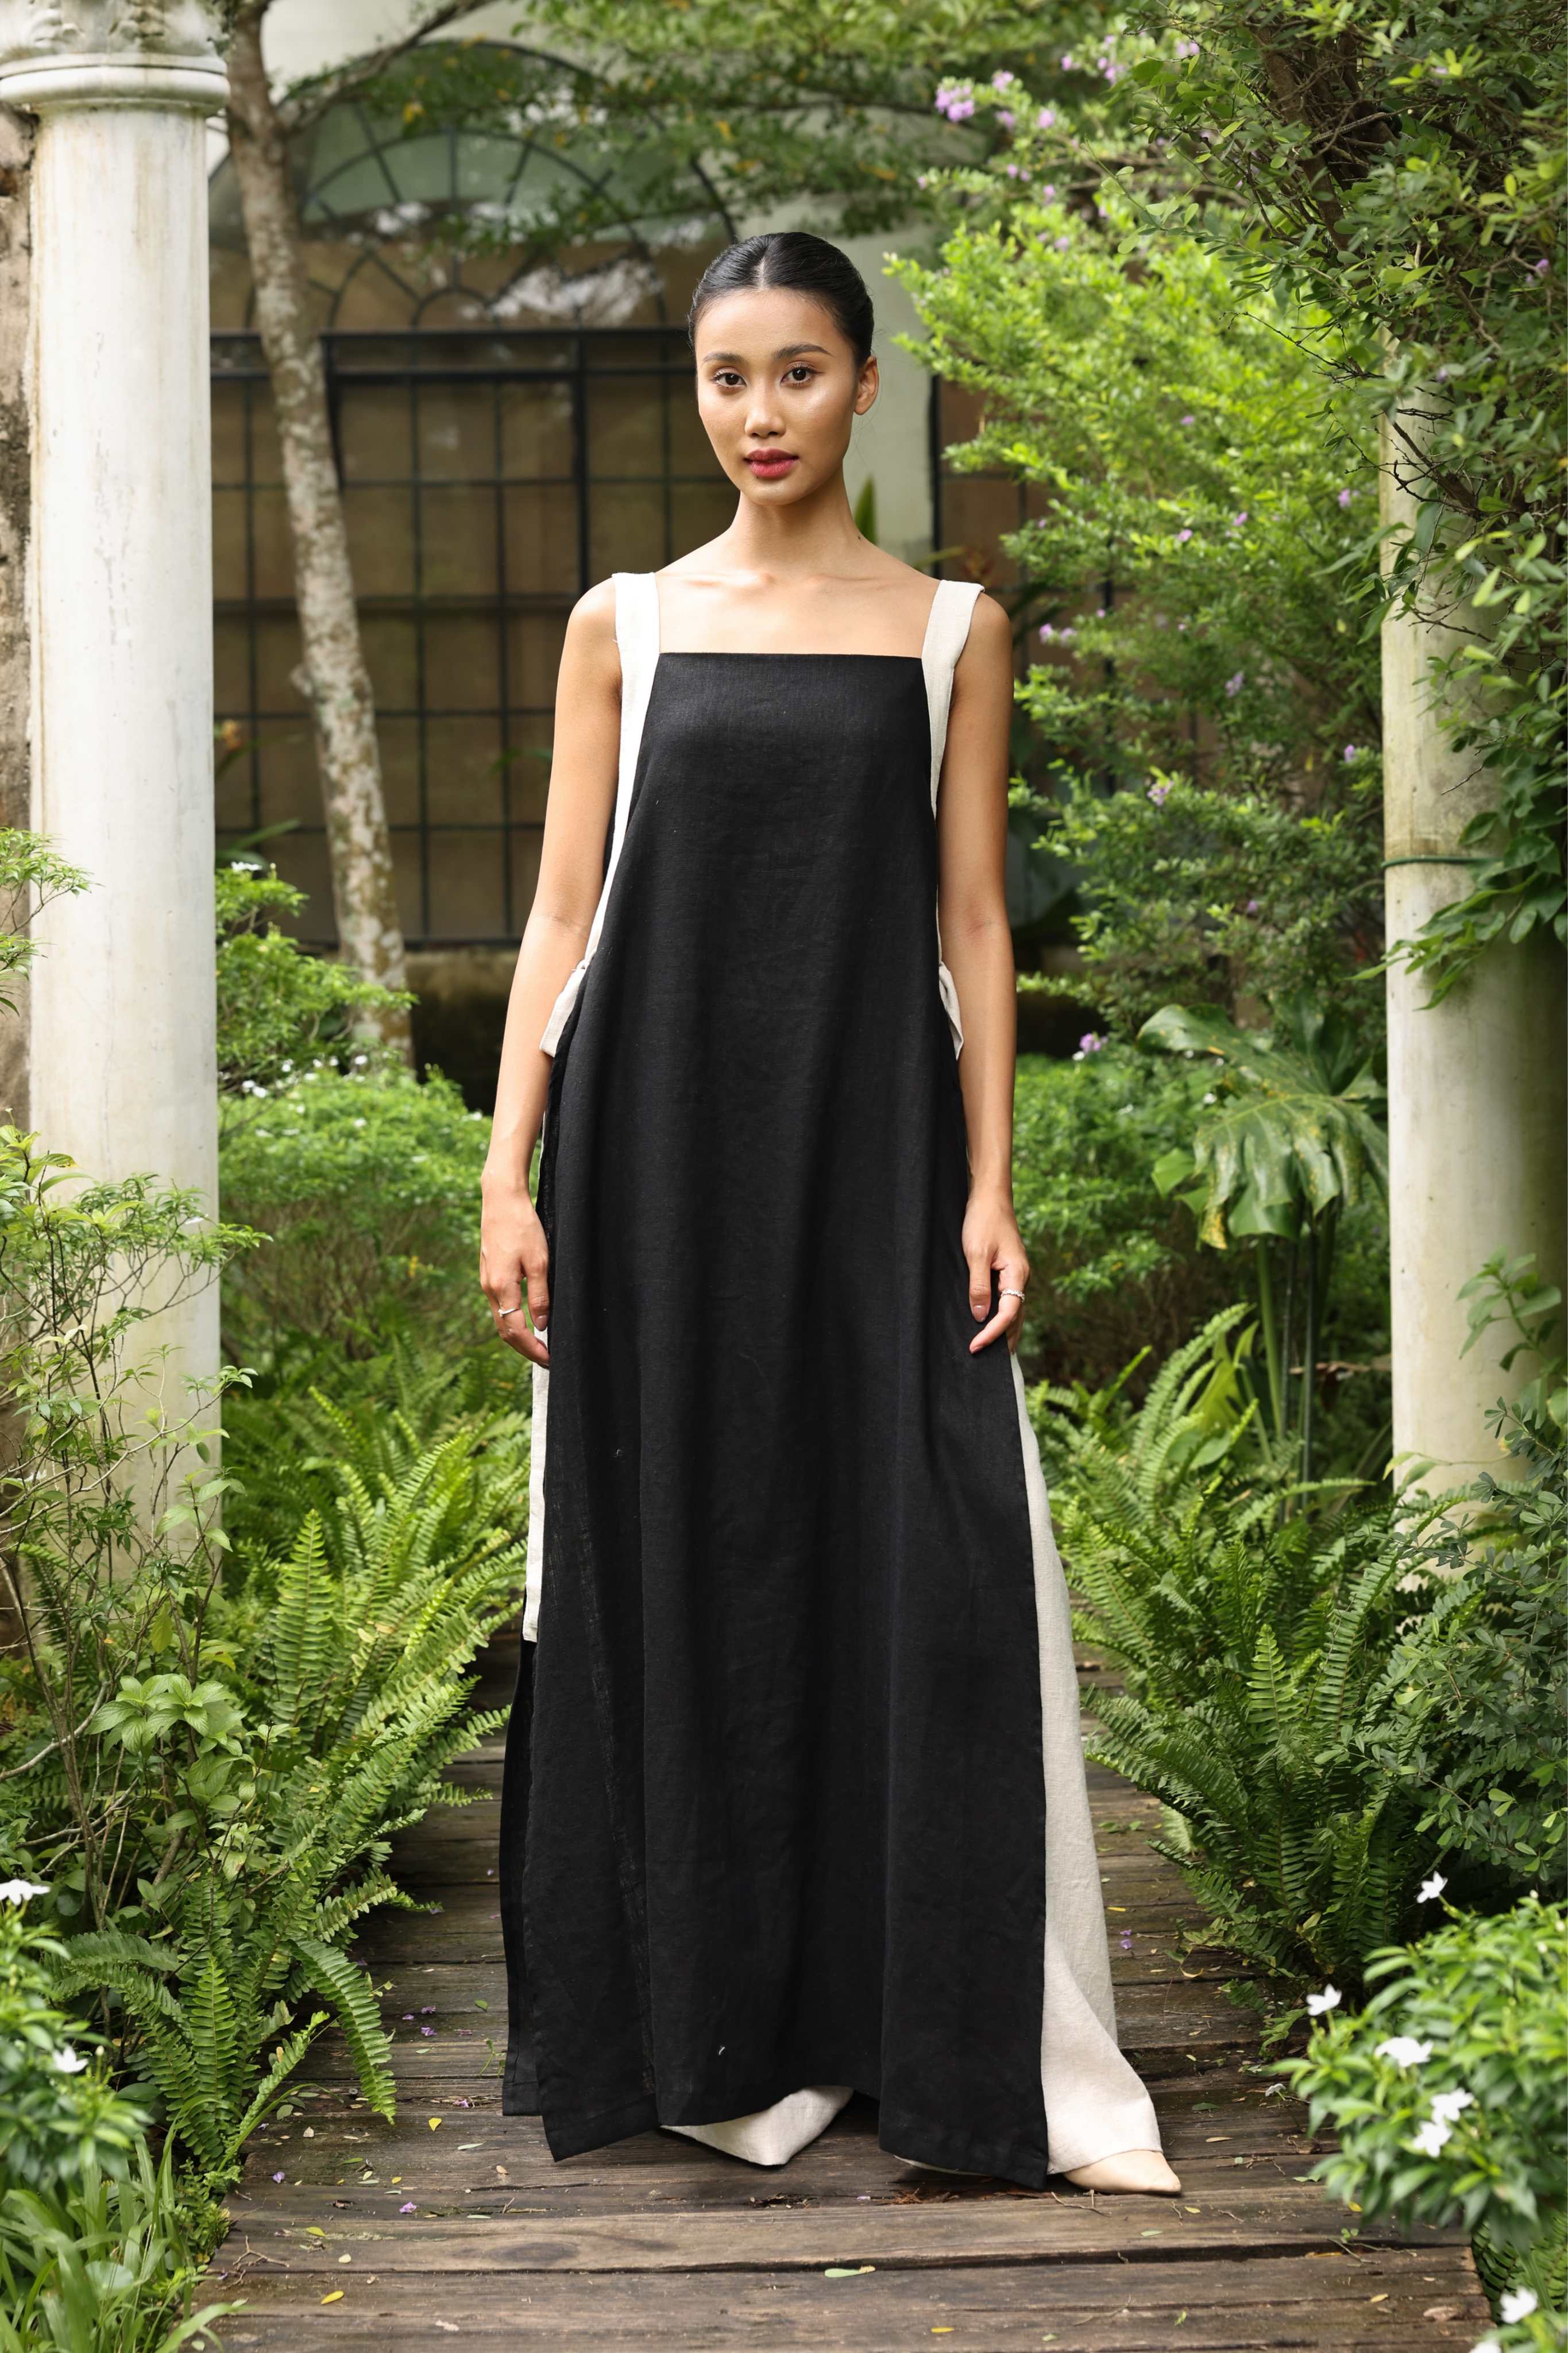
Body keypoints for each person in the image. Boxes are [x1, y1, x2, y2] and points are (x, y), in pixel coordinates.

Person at [480, 230, 1178, 2196]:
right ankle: (718, 2022)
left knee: (923, 1551)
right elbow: (559, 918)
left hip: (875, 1153)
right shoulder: (625, 623)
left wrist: (988, 1181)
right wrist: (506, 1170)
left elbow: (975, 922)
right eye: (728, 377)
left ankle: (925, 2030)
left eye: (797, 372)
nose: (760, 413)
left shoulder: (951, 628)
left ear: (867, 385)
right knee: (687, 1544)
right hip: (652, 1158)